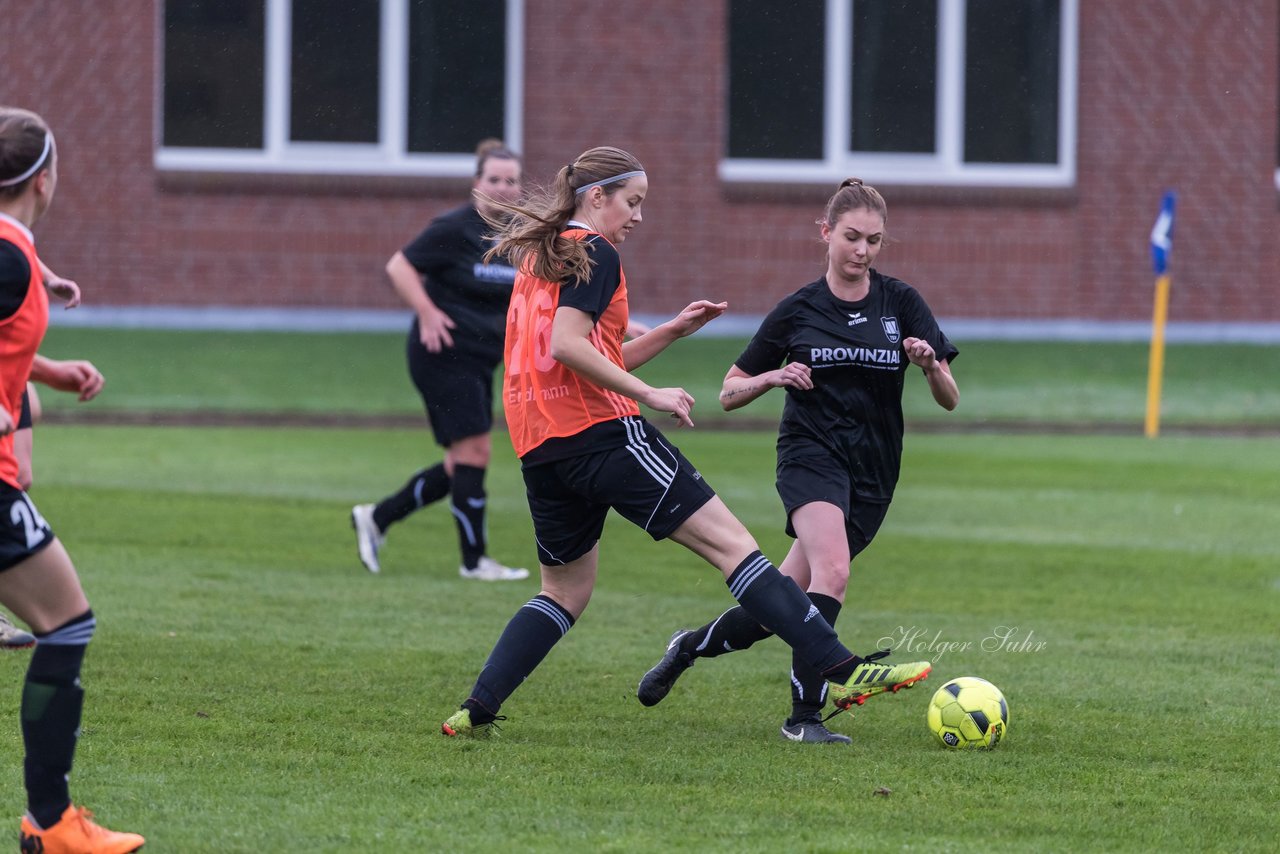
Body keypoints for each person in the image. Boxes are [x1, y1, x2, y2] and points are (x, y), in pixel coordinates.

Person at [439, 147, 932, 738]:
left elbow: (591, 355)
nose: (638, 217)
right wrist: (648, 395)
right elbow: (567, 347)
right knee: (735, 548)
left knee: (564, 592)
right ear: (597, 197)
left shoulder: (543, 259)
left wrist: (671, 329)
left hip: (541, 447)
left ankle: (476, 709)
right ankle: (840, 667)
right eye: (633, 202)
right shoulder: (594, 250)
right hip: (602, 433)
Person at [636, 178, 959, 743]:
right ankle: (804, 718)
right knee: (833, 570)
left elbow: (950, 398)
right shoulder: (799, 310)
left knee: (777, 610)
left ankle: (687, 646)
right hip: (809, 457)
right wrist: (774, 376)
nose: (862, 251)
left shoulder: (901, 302)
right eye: (852, 237)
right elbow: (729, 392)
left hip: (874, 470)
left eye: (874, 241)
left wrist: (930, 364)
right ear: (826, 232)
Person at [0, 106, 145, 852]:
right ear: (45, 179)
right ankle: (50, 824)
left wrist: (48, 374)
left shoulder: (19, 257)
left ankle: (50, 820)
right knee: (68, 623)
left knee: (66, 623)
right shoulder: (10, 257)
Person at [350, 140, 531, 581]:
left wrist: (620, 326)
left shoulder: (520, 236)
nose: (503, 188)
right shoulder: (455, 228)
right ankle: (475, 562)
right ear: (476, 183)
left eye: (511, 180)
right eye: (494, 179)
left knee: (462, 462)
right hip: (444, 356)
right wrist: (428, 313)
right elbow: (399, 266)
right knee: (476, 450)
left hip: (481, 360)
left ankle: (378, 517)